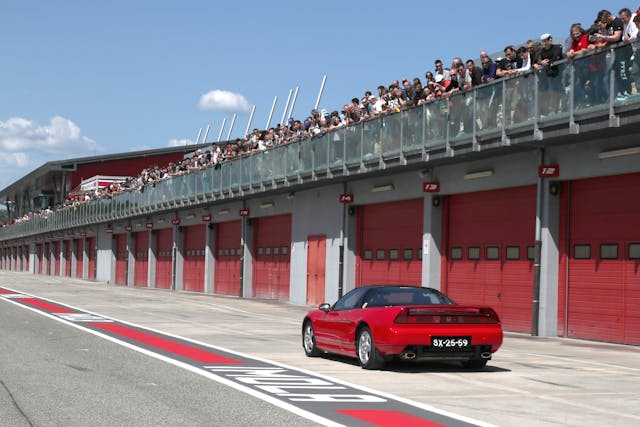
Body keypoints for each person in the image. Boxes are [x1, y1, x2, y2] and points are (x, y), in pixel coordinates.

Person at [535, 34, 564, 115]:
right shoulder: (542, 51)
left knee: (561, 92)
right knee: (553, 92)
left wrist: (546, 62)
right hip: (549, 75)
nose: (548, 41)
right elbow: (536, 60)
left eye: (548, 39)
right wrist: (541, 62)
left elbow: (556, 57)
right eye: (544, 40)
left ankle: (563, 109)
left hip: (560, 73)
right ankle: (554, 110)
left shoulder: (558, 47)